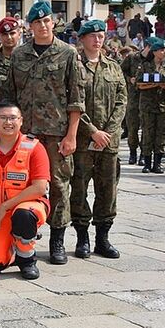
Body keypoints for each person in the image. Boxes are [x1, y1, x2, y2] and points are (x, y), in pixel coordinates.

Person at [0, 0, 85, 265]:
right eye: (37, 22)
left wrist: (71, 135)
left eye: (46, 21)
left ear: (54, 22)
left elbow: (76, 99)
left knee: (58, 186)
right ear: (30, 26)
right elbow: (10, 95)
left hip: (56, 134)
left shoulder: (68, 53)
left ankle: (57, 240)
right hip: (26, 134)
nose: (43, 26)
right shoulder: (19, 55)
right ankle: (24, 238)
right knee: (23, 186)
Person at [0, 101, 50, 280]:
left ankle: (27, 259)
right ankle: (11, 247)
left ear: (21, 121)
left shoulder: (34, 147)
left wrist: (5, 206)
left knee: (24, 215)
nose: (8, 122)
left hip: (25, 208)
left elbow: (39, 187)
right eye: (3, 118)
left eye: (13, 118)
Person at [71, 20, 126, 260]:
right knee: (79, 188)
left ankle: (103, 238)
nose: (97, 40)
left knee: (107, 190)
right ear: (81, 39)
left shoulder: (113, 67)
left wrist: (109, 131)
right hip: (83, 142)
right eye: (92, 36)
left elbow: (122, 101)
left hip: (109, 143)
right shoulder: (74, 66)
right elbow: (72, 102)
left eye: (101, 35)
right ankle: (82, 238)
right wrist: (93, 131)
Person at [136, 37, 165, 174]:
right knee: (148, 134)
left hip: (164, 106)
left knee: (161, 135)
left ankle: (158, 163)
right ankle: (147, 163)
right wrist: (154, 84)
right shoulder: (145, 66)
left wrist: (163, 85)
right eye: (161, 50)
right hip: (148, 106)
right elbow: (138, 84)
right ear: (154, 52)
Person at [121, 38, 154, 166]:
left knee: (147, 129)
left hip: (148, 99)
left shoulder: (154, 61)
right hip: (133, 98)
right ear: (147, 46)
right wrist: (130, 79)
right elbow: (121, 71)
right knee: (132, 128)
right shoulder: (132, 58)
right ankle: (133, 153)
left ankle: (143, 155)